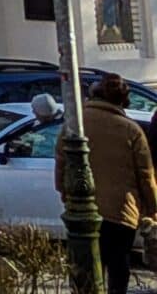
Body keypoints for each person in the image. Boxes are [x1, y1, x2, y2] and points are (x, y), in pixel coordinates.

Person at [56, 74, 157, 294]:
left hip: (81, 212)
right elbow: (146, 175)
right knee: (119, 265)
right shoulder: (131, 130)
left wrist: (66, 194)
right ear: (123, 101)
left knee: (88, 267)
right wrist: (152, 208)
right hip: (122, 210)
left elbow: (61, 164)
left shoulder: (74, 126)